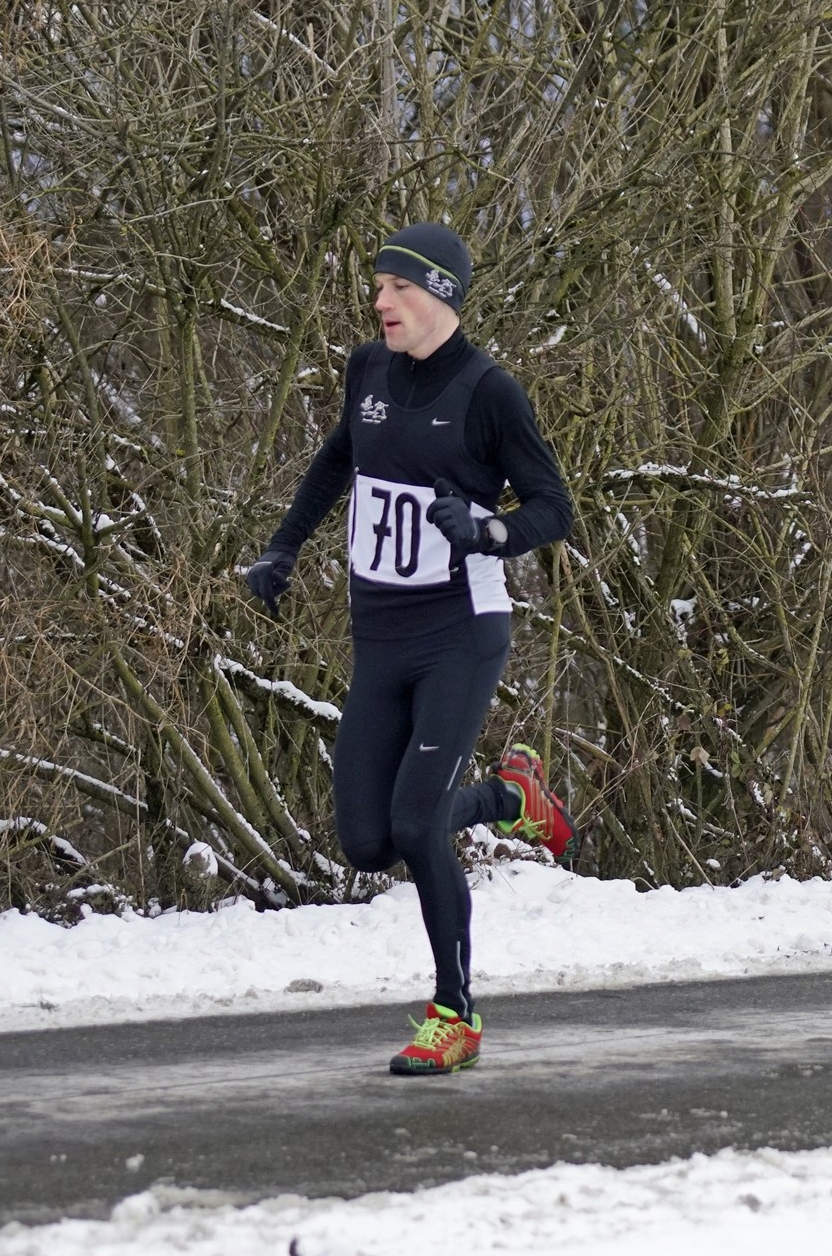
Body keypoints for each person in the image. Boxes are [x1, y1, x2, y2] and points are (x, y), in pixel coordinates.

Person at [244, 222, 575, 1073]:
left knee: (418, 819)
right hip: (380, 639)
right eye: (377, 287)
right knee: (366, 841)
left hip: (460, 632)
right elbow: (335, 460)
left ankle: (453, 1014)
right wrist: (284, 547)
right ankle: (511, 798)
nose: (380, 301)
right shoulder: (368, 371)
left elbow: (553, 506)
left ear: (440, 295)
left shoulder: (488, 391)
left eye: (396, 288)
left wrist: (489, 528)